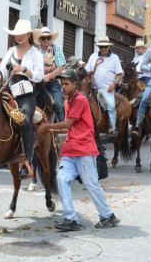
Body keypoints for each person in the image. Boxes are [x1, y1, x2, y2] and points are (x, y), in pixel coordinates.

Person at [37, 69, 120, 231]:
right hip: (70, 150)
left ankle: (108, 216)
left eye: (66, 84)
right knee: (61, 179)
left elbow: (68, 124)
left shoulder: (80, 100)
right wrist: (51, 130)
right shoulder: (68, 101)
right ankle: (70, 219)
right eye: (61, 84)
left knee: (91, 184)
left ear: (75, 84)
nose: (63, 87)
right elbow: (70, 127)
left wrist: (47, 127)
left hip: (83, 149)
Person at [0, 19, 43, 179]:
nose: (18, 37)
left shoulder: (36, 53)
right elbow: (2, 71)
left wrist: (24, 70)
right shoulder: (11, 51)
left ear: (29, 34)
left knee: (25, 121)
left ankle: (27, 161)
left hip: (26, 94)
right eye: (16, 34)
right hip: (9, 90)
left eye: (21, 34)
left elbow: (39, 76)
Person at [85, 36, 123, 138]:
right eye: (101, 47)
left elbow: (120, 74)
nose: (103, 49)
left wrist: (114, 84)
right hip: (93, 88)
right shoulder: (93, 56)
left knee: (110, 106)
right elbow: (86, 71)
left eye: (105, 47)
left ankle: (111, 128)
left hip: (107, 89)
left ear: (108, 47)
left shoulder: (114, 58)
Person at [35, 26, 67, 122]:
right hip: (37, 83)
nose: (45, 40)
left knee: (58, 105)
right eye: (43, 38)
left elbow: (61, 66)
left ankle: (62, 129)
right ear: (39, 39)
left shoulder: (57, 50)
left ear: (51, 38)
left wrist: (49, 76)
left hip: (53, 83)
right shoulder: (35, 51)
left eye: (48, 38)